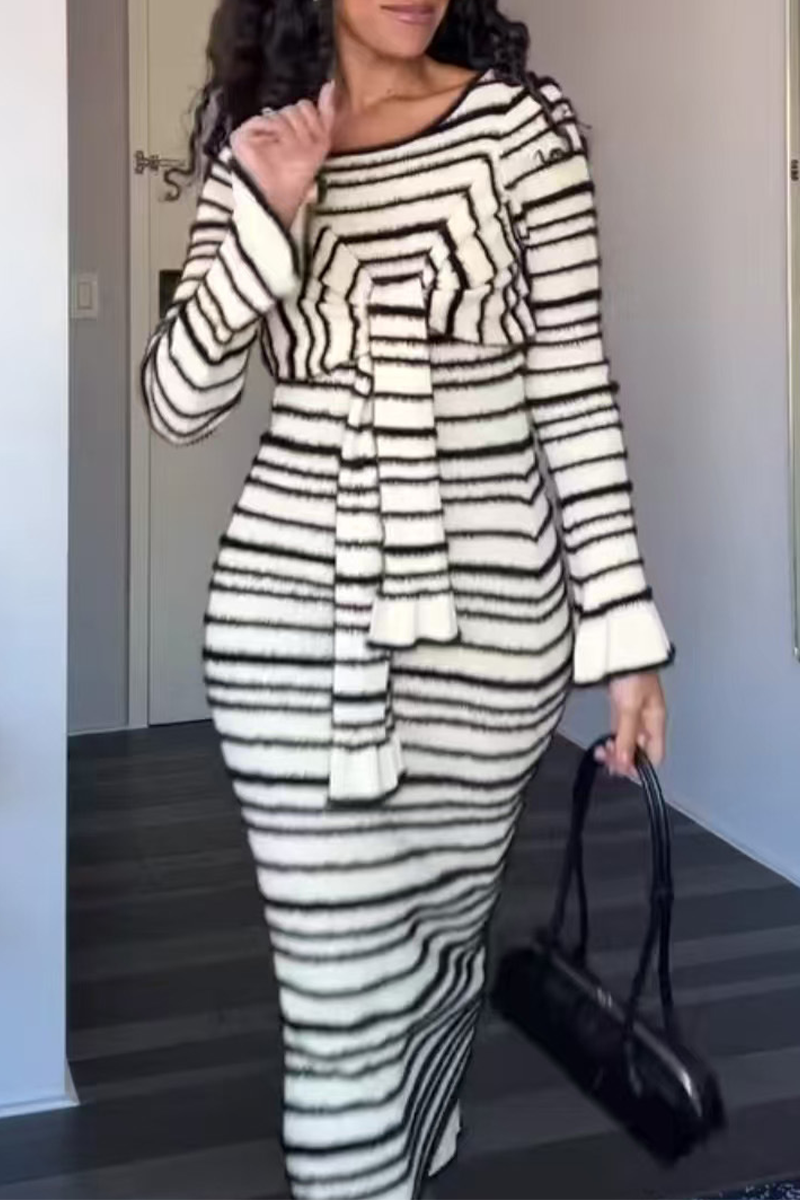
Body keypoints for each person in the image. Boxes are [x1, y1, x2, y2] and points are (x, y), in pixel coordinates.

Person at [141, 0, 673, 1196]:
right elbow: (177, 405)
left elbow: (573, 390)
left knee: (437, 953)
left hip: (493, 632)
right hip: (291, 626)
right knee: (336, 999)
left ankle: (410, 1152)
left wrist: (623, 642)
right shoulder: (258, 136)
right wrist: (268, 213)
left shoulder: (524, 129)